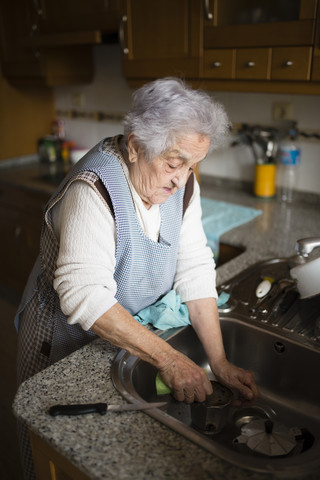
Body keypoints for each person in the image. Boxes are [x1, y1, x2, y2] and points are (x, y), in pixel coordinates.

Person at [15, 77, 259, 479]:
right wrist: (170, 359)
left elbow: (195, 263)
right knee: (53, 450)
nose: (182, 178)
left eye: (192, 165)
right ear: (135, 146)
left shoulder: (180, 185)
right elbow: (84, 295)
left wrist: (219, 361)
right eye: (174, 162)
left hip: (122, 338)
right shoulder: (92, 190)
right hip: (58, 341)